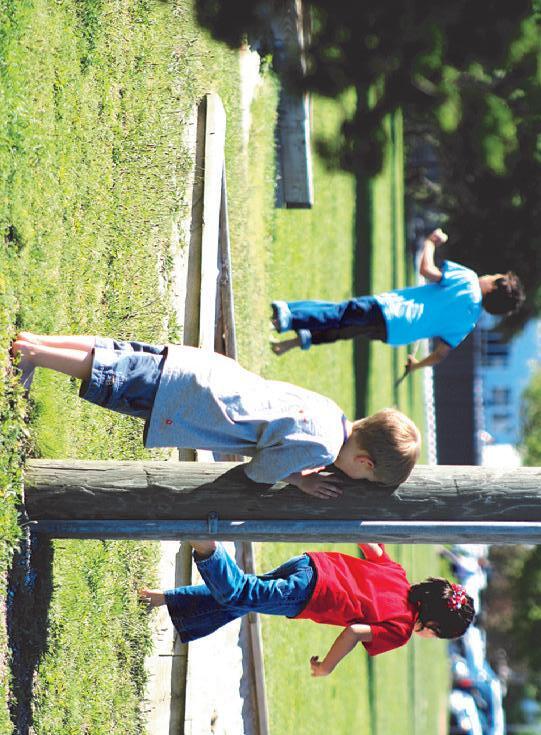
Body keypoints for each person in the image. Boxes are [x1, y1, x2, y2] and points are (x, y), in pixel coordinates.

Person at [10, 332, 421, 494]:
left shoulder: (332, 412)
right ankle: (33, 354)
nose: (358, 479)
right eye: (366, 477)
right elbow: (259, 472)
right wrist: (300, 480)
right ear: (365, 462)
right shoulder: (322, 449)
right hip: (193, 400)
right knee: (113, 376)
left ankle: (39, 343)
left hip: (208, 371)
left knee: (119, 355)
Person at [138, 541, 475, 673]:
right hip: (309, 594)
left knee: (242, 601)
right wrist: (327, 665)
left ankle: (165, 599)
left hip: (308, 564)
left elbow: (372, 546)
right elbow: (354, 631)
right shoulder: (400, 630)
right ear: (434, 625)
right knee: (238, 593)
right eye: (437, 635)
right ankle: (205, 543)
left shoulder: (398, 575)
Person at [270, 229, 525, 375]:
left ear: (493, 286)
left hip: (391, 310)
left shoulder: (468, 280)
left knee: (340, 312)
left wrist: (430, 242)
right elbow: (440, 354)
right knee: (345, 327)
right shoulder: (469, 322)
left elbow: (426, 270)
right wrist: (417, 366)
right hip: (394, 334)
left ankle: (286, 317)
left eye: (494, 276)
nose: (488, 275)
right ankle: (297, 339)